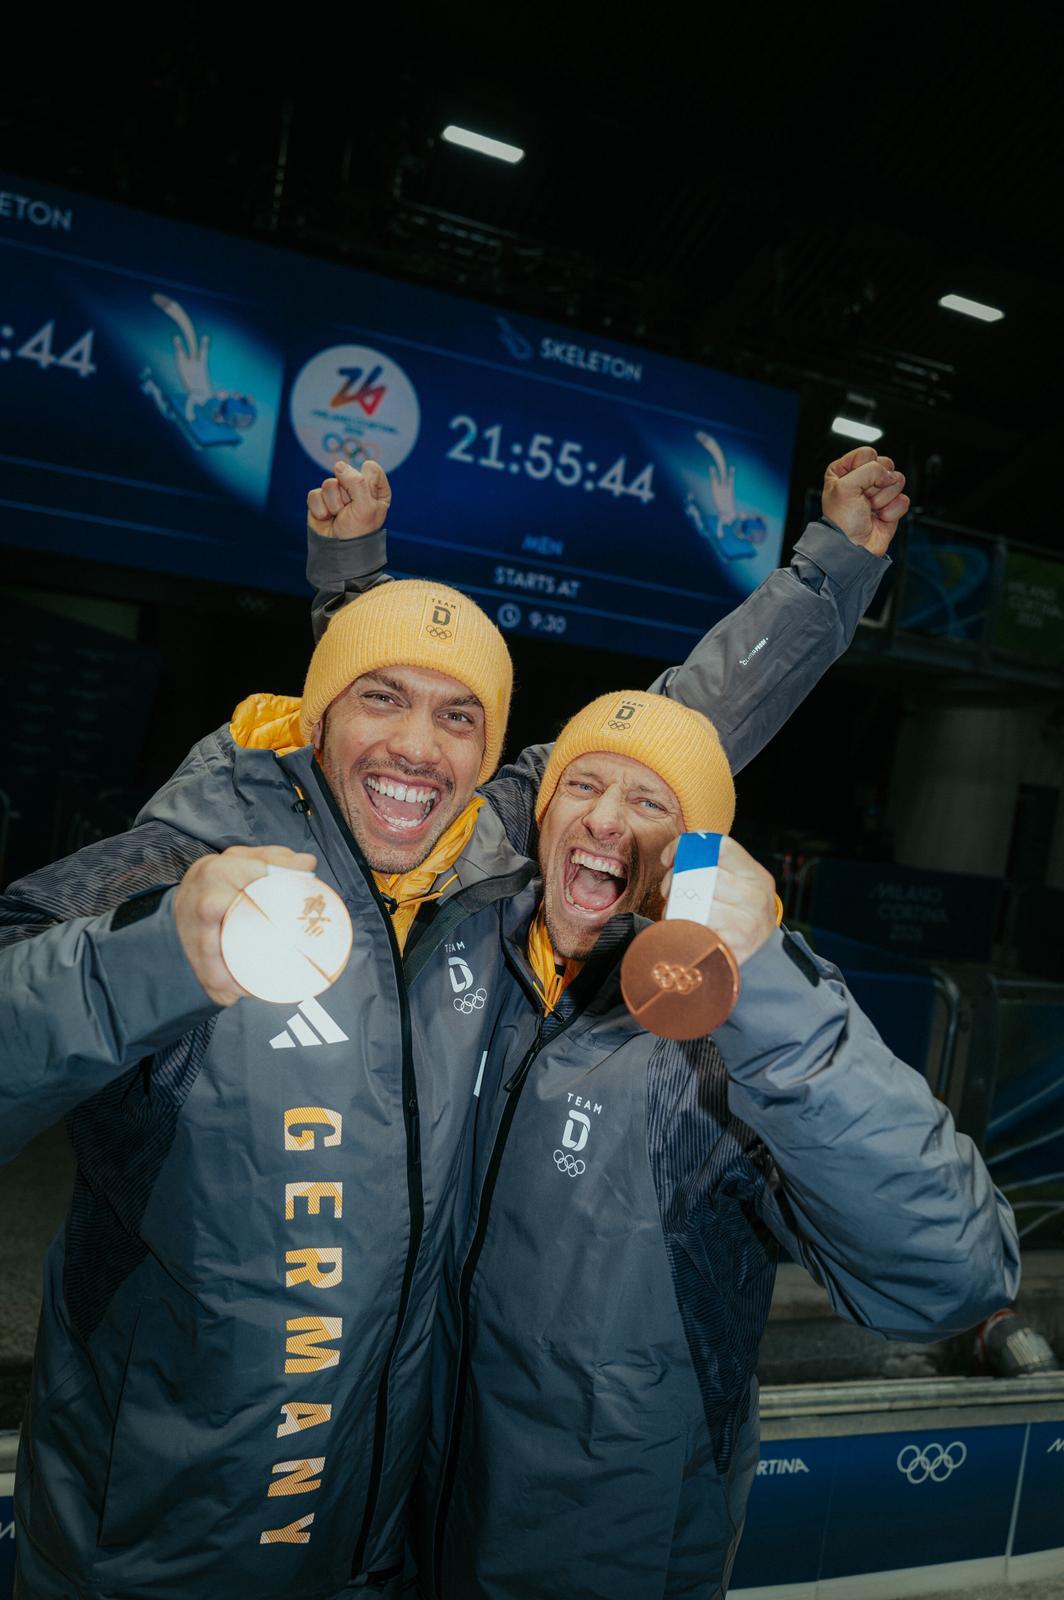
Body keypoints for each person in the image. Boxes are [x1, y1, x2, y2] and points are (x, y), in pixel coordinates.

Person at [0, 451, 903, 1599]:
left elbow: (674, 728)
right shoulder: (190, 862)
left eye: (460, 719)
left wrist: (829, 572)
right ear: (319, 717)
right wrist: (149, 958)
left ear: (489, 753)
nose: (423, 747)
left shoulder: (485, 849)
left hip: (380, 1532)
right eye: (380, 700)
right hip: (157, 1539)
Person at [410, 694, 1021, 1600]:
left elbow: (952, 1274)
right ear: (545, 817)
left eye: (653, 803)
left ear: (693, 857)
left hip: (594, 1565)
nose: (608, 816)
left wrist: (766, 982)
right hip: (408, 1528)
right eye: (584, 784)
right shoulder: (472, 968)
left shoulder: (723, 1043)